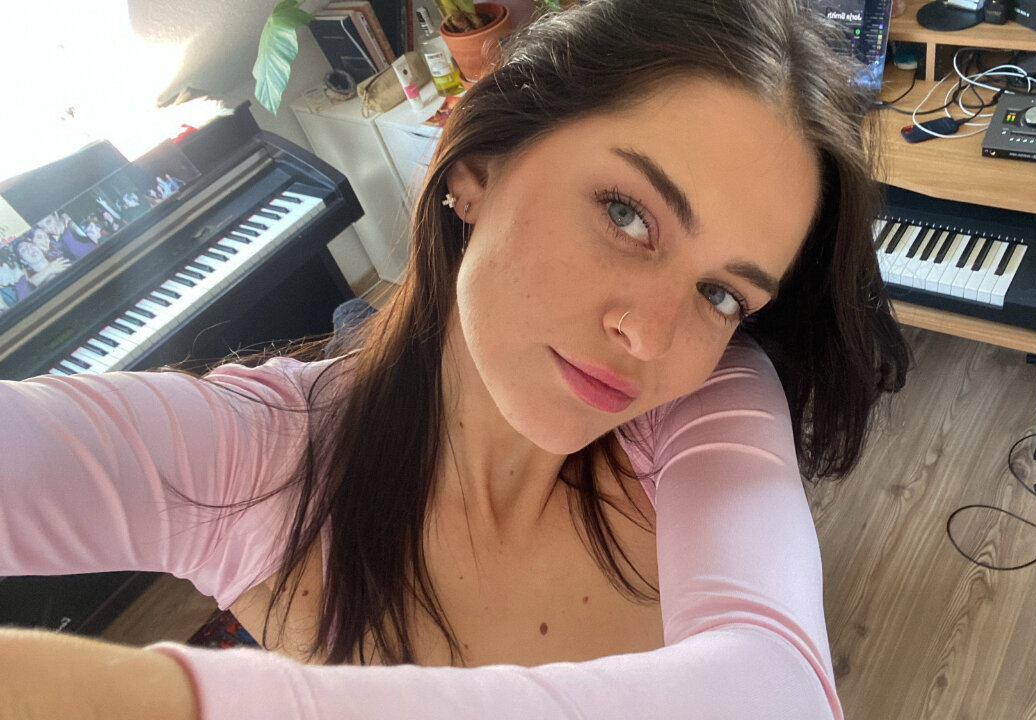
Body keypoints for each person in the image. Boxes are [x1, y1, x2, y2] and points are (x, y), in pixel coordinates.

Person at [0, 0, 910, 718]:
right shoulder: (249, 459)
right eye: (627, 215)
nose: (653, 336)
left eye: (721, 294)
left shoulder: (710, 409)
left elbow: (772, 693)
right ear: (477, 168)